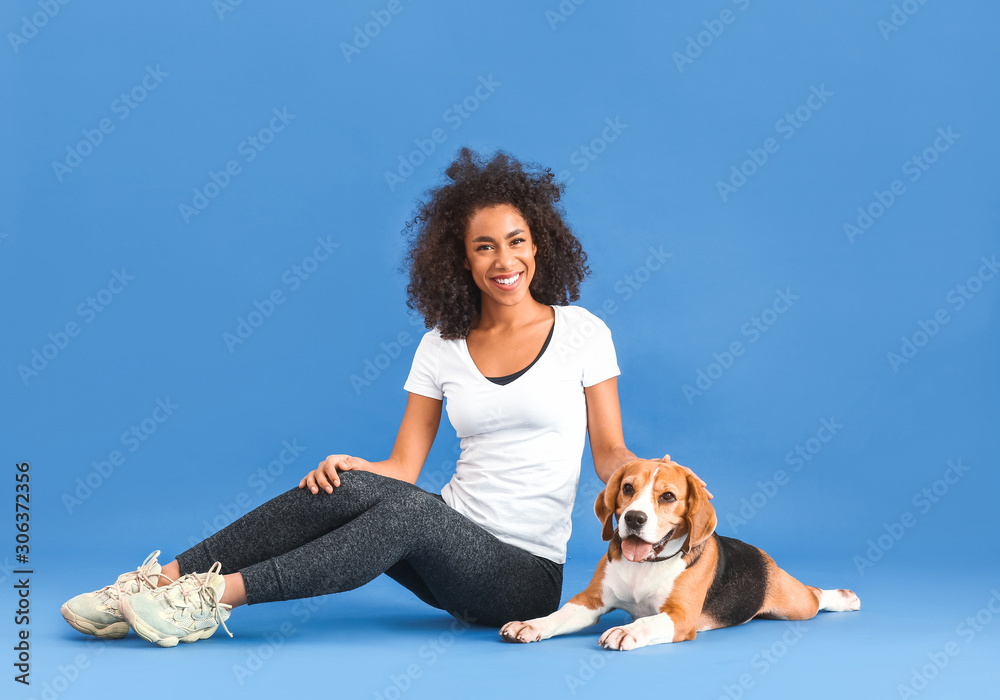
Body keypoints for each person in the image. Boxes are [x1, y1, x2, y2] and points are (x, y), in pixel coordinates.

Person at [59, 147, 649, 647]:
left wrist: (649, 478)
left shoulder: (582, 333)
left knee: (411, 510)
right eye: (484, 247)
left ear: (538, 245)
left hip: (520, 578)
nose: (504, 260)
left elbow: (608, 453)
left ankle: (212, 598)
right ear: (462, 260)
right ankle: (158, 581)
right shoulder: (441, 346)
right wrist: (355, 468)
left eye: (516, 241)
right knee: (352, 486)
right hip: (441, 547)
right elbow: (403, 468)